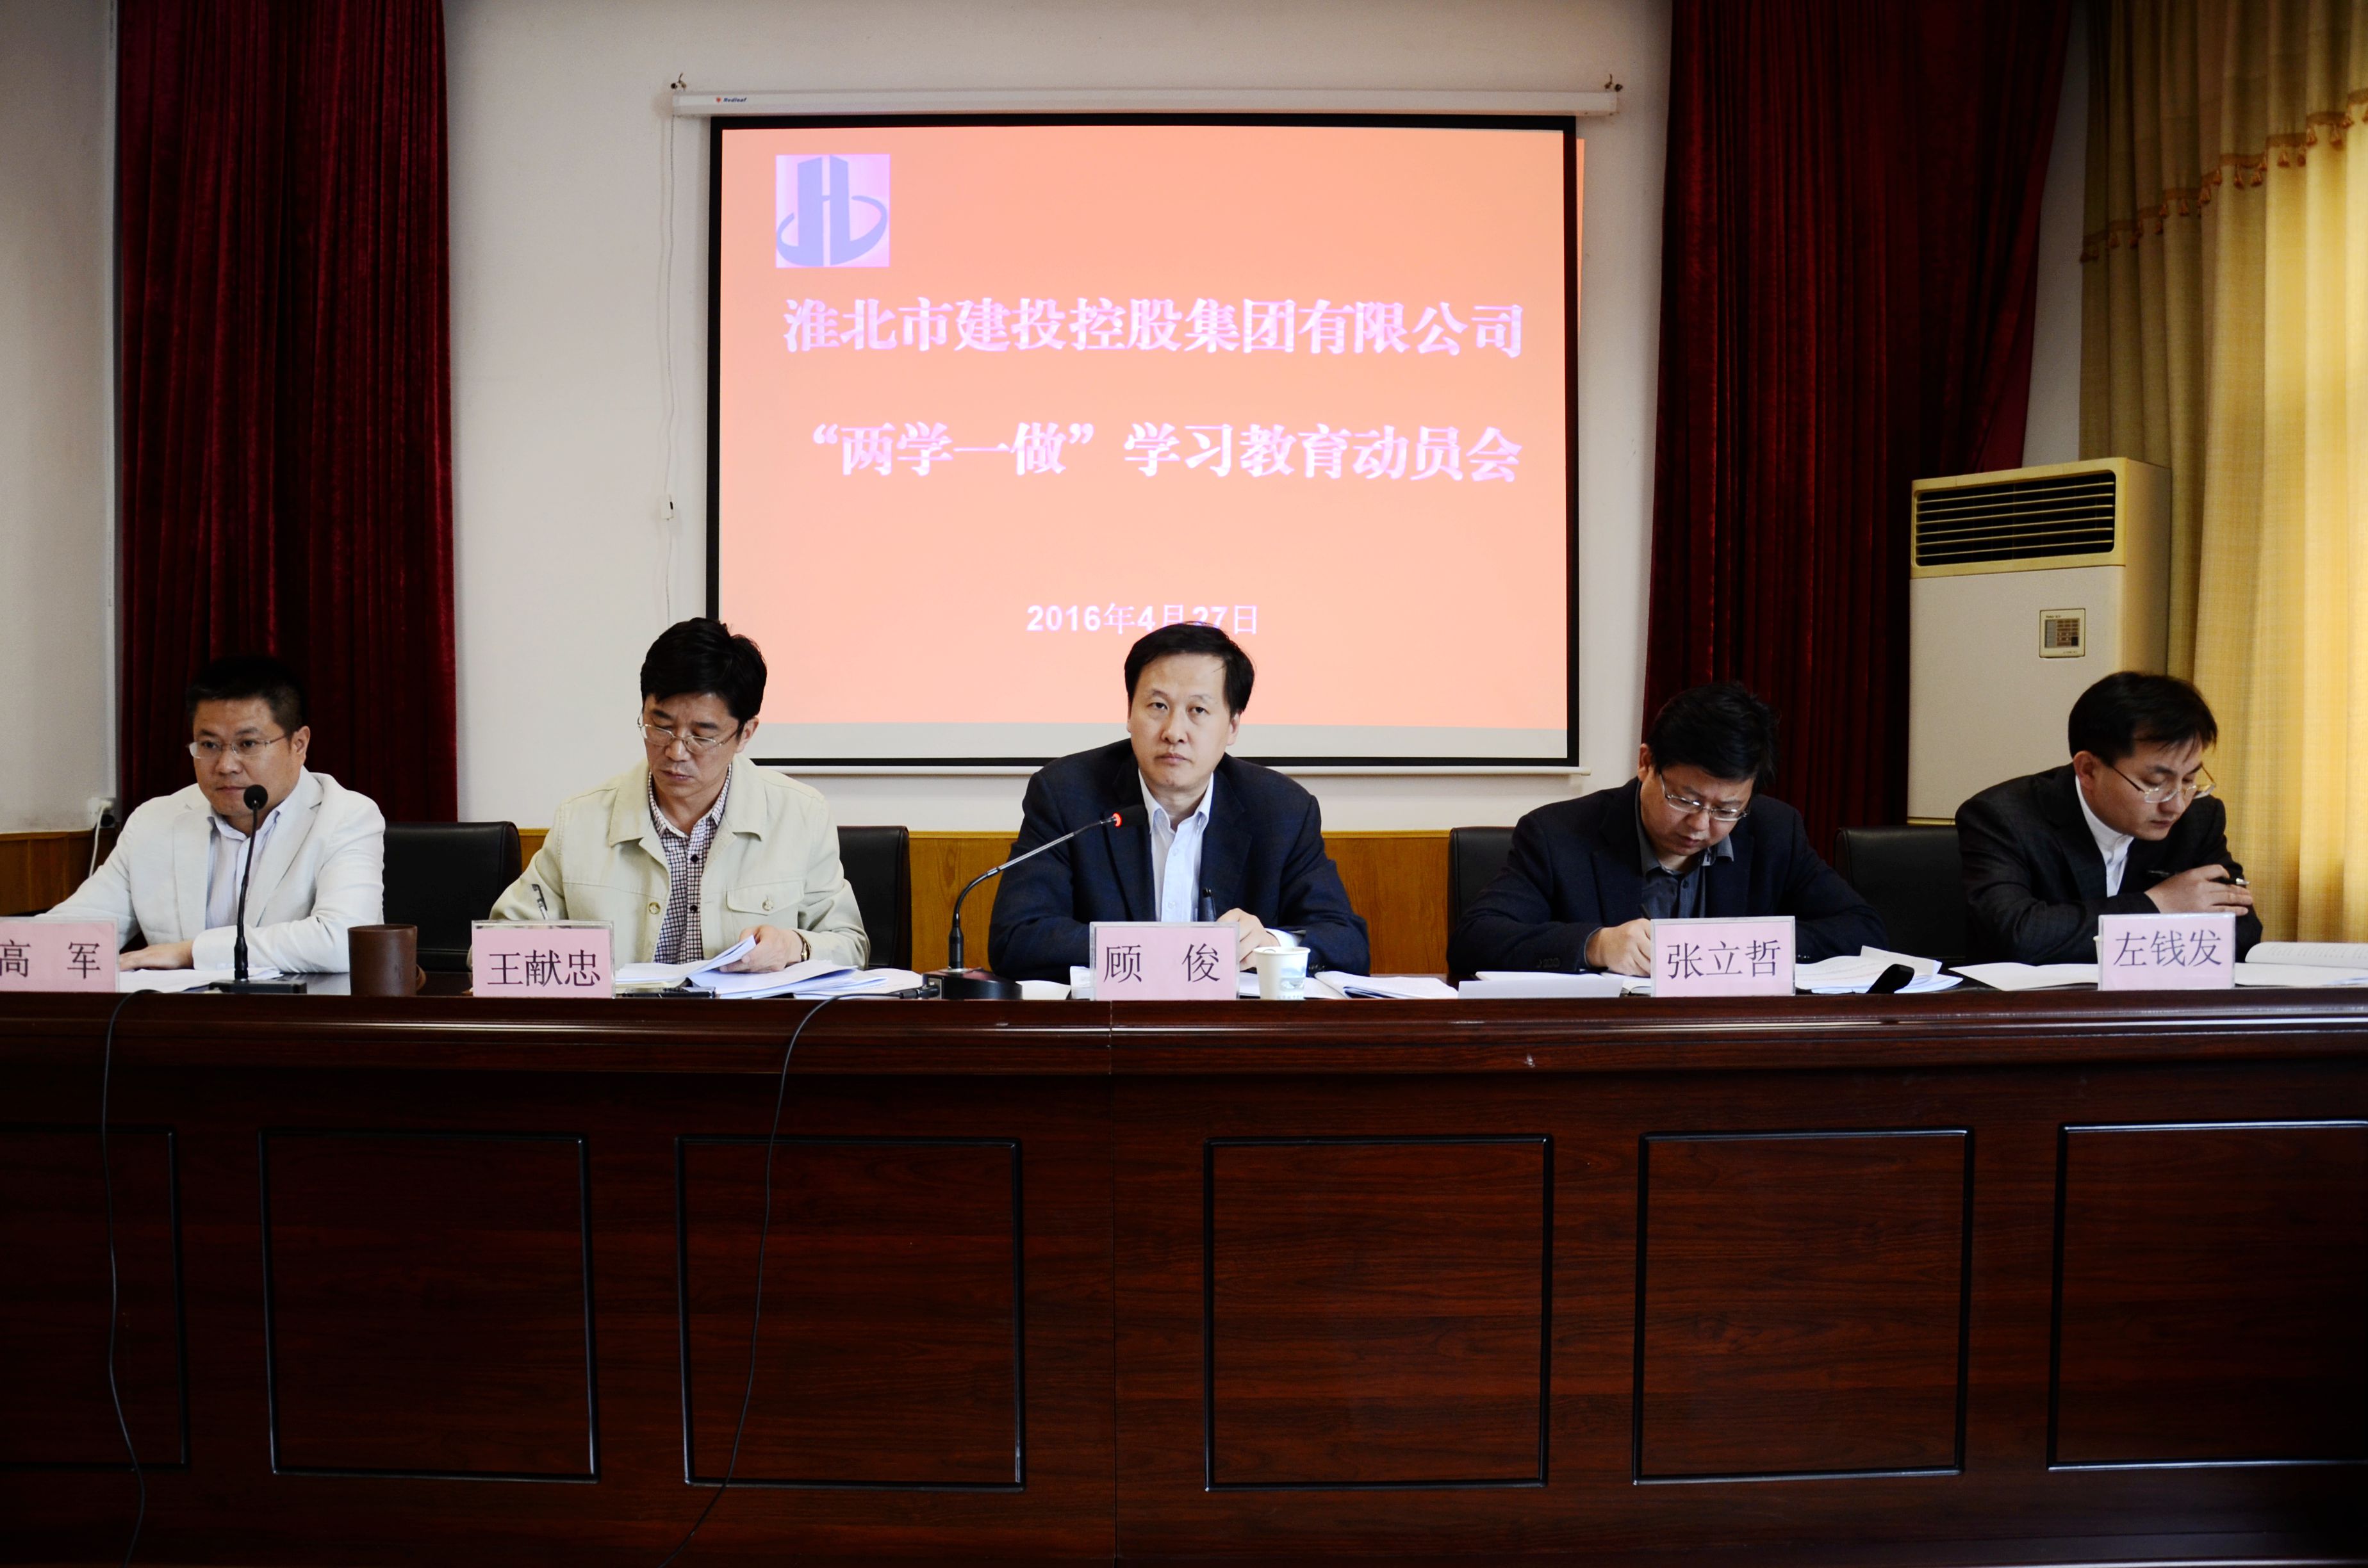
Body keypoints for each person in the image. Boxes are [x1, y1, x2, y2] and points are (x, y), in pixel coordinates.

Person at [987, 622, 1369, 983]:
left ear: (1233, 725)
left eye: (1198, 710)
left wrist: (1271, 944)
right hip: (1109, 1022)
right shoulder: (1067, 794)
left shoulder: (1282, 810)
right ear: (1129, 713)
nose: (1174, 732)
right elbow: (1018, 937)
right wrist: (1161, 950)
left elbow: (1346, 941)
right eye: (1158, 706)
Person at [489, 618, 867, 971]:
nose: (675, 751)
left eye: (702, 735)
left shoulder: (800, 816)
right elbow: (495, 949)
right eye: (660, 726)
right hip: (624, 1021)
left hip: (744, 1022)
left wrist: (794, 947)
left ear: (745, 734)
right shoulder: (581, 820)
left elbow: (852, 946)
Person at [1449, 682, 1885, 976]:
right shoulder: (1557, 834)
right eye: (1685, 800)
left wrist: (1750, 946)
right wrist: (1595, 945)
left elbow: (1863, 929)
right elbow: (1474, 942)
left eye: (1727, 809)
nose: (1700, 825)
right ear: (1646, 763)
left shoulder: (1774, 832)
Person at [45, 655, 385, 972]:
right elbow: (79, 927)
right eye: (209, 745)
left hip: (295, 1015)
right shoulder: (155, 821)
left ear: (299, 745)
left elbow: (346, 941)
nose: (225, 766)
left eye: (248, 744)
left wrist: (190, 952)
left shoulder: (345, 816)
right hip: (177, 1015)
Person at [1957, 671, 2258, 963]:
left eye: (2189, 780)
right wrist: (2157, 905)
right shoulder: (2003, 817)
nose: (2176, 805)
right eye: (2155, 783)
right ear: (2088, 770)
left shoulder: (2199, 818)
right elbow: (2016, 935)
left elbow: (2242, 931)